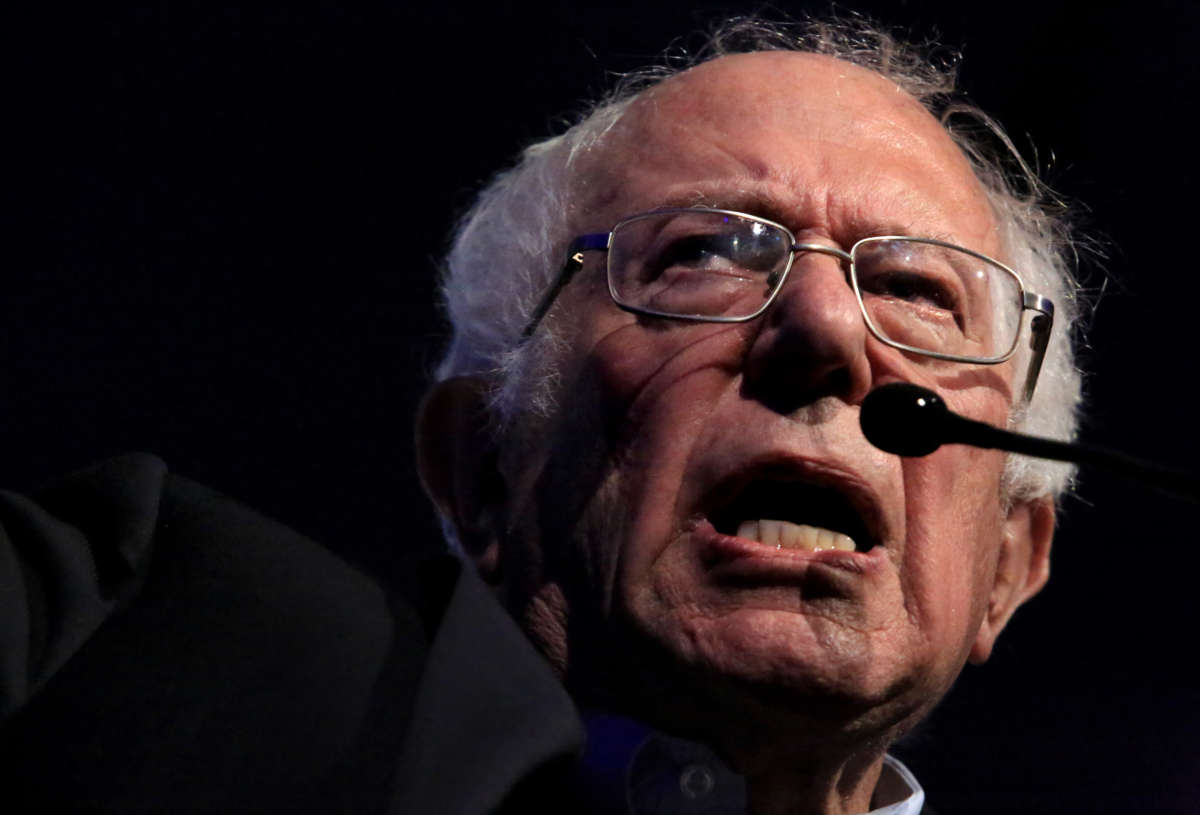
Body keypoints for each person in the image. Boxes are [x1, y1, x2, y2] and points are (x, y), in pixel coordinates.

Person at [0, 17, 1082, 815]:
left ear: (1006, 563)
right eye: (701, 253)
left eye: (916, 289)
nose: (825, 330)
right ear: (479, 463)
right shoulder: (129, 637)